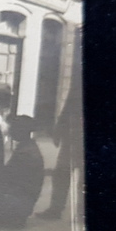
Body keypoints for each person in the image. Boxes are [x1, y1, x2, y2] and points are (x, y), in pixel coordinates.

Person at [36, 57, 83, 220]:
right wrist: (59, 129)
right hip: (73, 134)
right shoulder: (79, 78)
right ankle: (55, 209)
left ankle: (82, 212)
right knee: (61, 172)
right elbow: (69, 104)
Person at [0, 115, 46, 227]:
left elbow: (7, 175)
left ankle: (11, 216)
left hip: (20, 199)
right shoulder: (28, 146)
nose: (11, 131)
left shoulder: (25, 153)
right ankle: (13, 215)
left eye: (14, 128)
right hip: (26, 198)